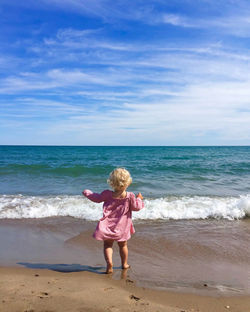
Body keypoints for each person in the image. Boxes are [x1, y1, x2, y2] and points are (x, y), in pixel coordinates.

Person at [82, 168, 144, 274]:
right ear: (128, 182)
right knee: (123, 245)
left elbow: (96, 198)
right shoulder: (130, 196)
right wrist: (139, 198)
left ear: (112, 183)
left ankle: (109, 263)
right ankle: (124, 264)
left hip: (108, 226)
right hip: (123, 227)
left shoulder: (107, 194)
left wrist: (87, 193)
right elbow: (137, 207)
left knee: (107, 245)